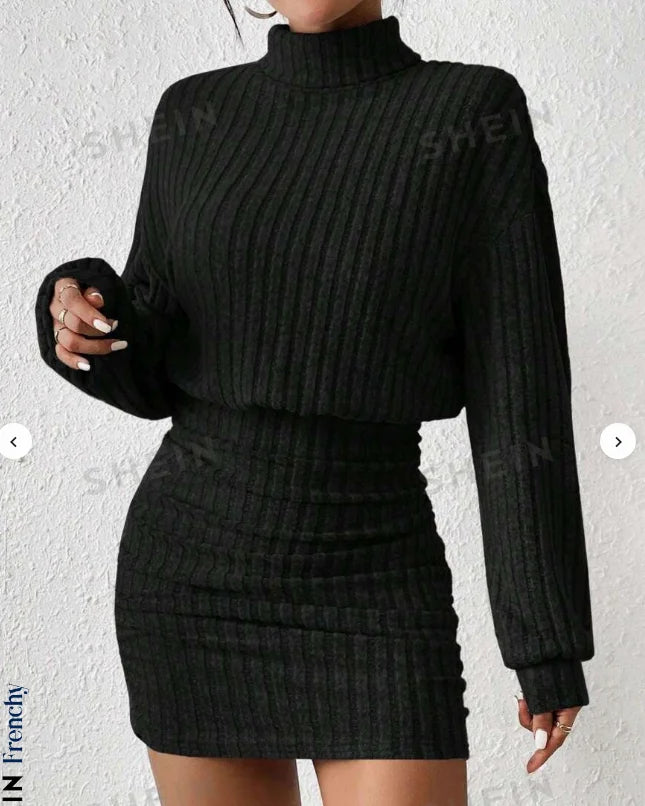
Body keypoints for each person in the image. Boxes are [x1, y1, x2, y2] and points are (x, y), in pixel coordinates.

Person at [34, 1, 594, 804]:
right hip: (188, 579)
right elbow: (151, 375)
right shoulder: (194, 112)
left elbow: (519, 388)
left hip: (375, 577)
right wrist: (78, 309)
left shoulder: (471, 112)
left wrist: (544, 640)